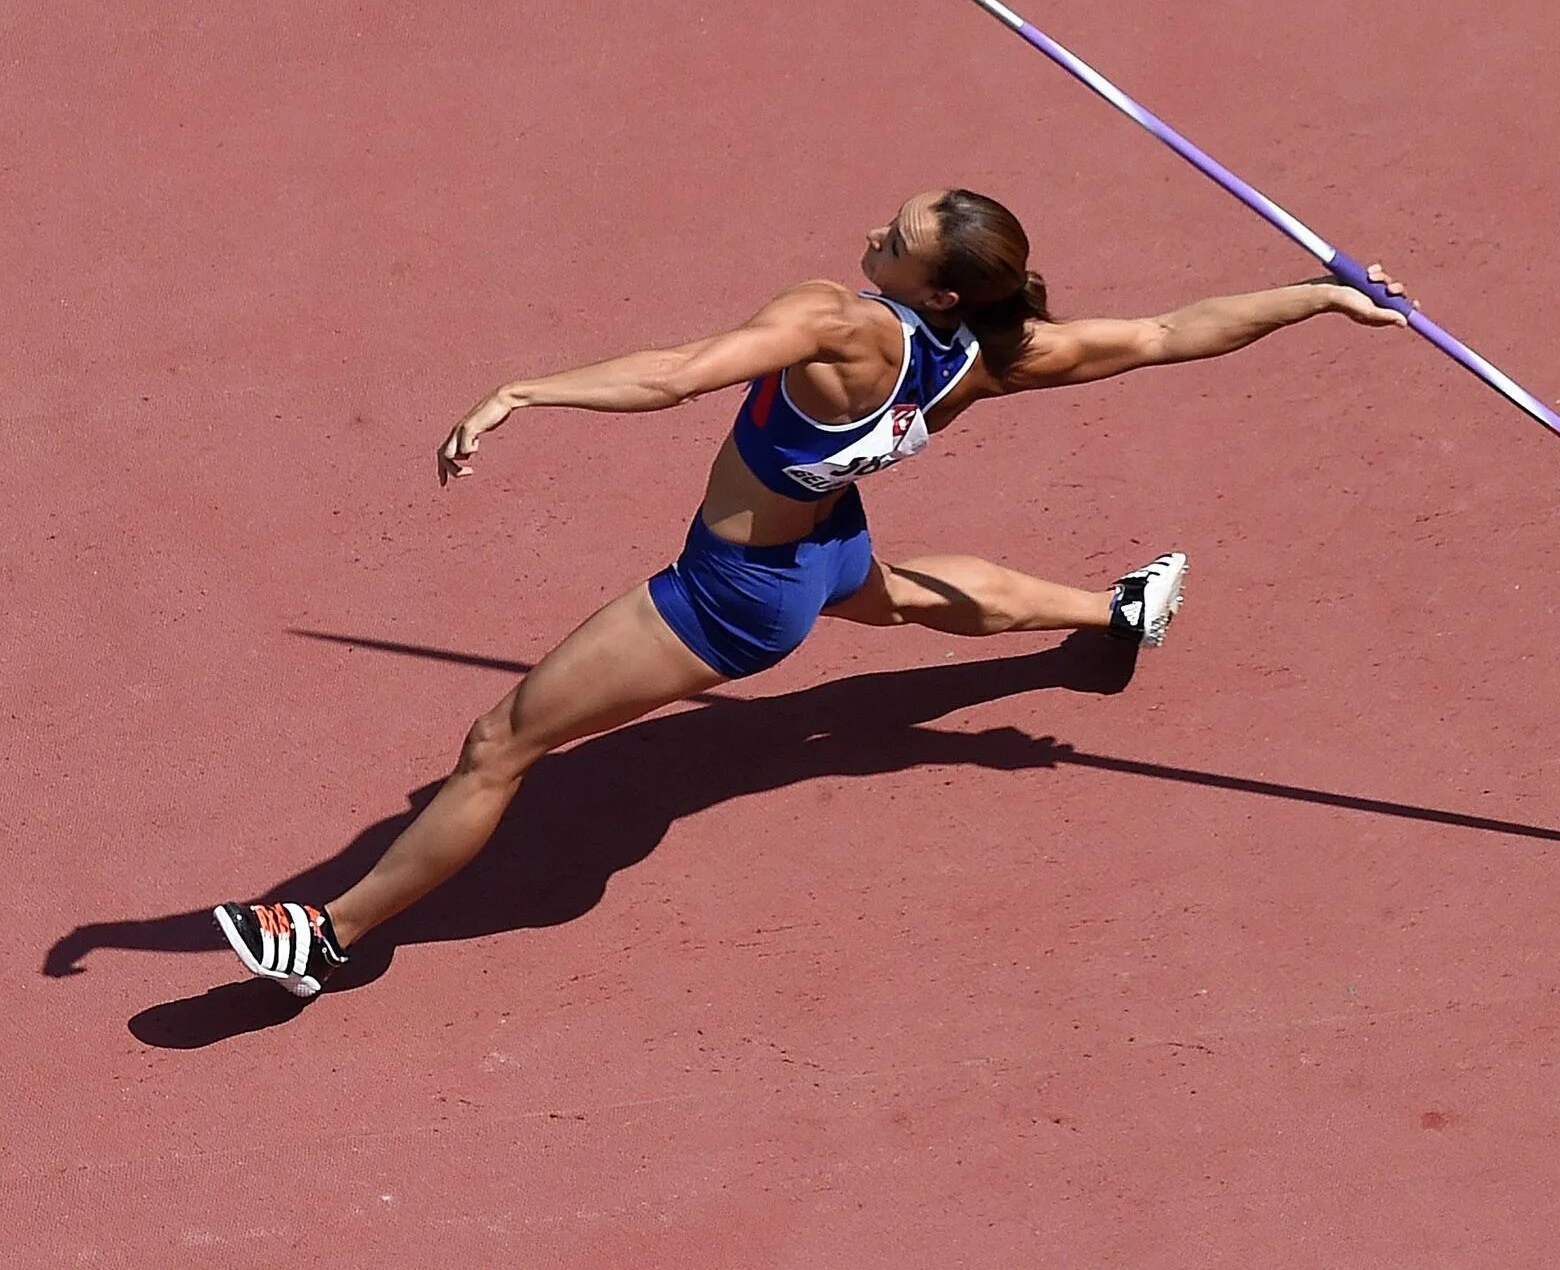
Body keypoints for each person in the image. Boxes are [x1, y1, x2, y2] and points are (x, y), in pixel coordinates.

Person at [214, 188, 1411, 996]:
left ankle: (329, 935)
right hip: (822, 546)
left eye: (897, 237)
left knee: (495, 747)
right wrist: (1314, 294)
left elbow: (679, 376)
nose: (874, 235)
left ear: (938, 286)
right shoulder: (989, 358)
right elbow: (1164, 333)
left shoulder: (829, 325)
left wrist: (523, 390)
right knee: (891, 595)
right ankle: (1116, 612)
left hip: (728, 594)